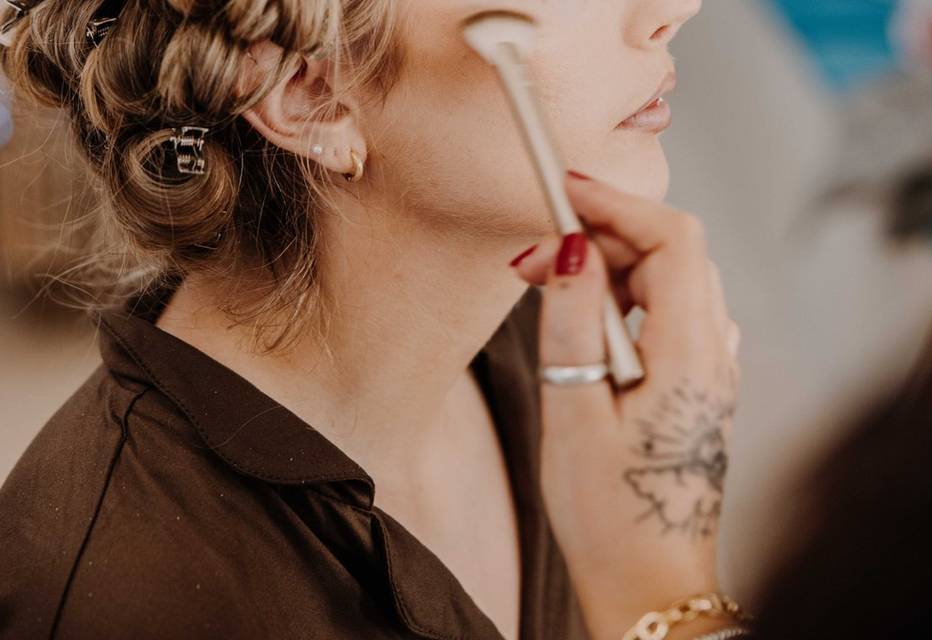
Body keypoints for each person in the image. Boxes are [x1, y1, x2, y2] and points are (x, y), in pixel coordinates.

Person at [1, 1, 745, 639]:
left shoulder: (557, 357)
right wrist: (671, 601)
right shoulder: (122, 602)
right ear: (311, 94)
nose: (674, 9)